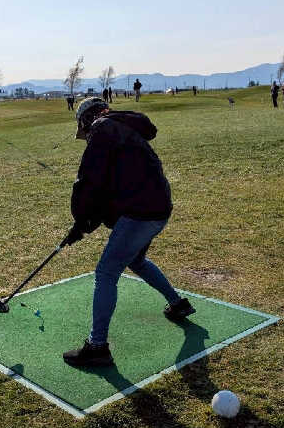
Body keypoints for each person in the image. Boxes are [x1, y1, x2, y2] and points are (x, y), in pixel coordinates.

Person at [61, 97, 195, 367]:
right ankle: (178, 304)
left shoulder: (102, 129)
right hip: (158, 209)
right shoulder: (122, 128)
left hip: (141, 213)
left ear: (86, 120)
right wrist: (84, 225)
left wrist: (81, 221)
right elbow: (110, 189)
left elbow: (90, 182)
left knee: (106, 272)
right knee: (136, 260)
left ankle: (97, 347)